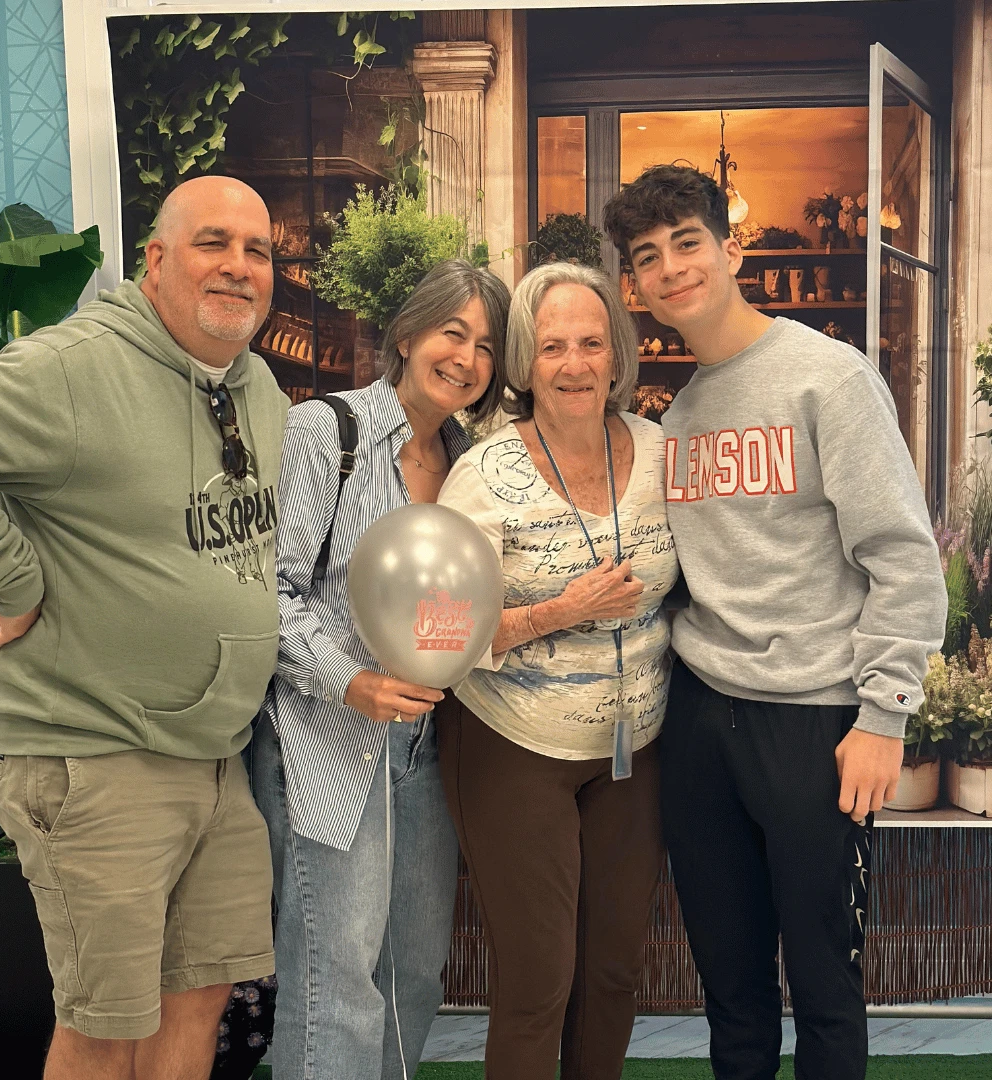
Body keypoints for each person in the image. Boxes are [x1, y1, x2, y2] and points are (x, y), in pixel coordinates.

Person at [0, 176, 288, 1080]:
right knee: (106, 1024)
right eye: (213, 242)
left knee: (202, 997)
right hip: (95, 753)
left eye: (259, 250)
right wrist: (12, 577)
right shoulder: (78, 367)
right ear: (155, 260)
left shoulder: (255, 385)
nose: (238, 266)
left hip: (213, 756)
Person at [602, 164, 948, 1080]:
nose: (672, 268)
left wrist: (883, 716)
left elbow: (903, 557)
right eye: (649, 257)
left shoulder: (829, 379)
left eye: (688, 242)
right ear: (635, 286)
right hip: (699, 724)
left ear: (732, 250)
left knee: (827, 988)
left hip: (814, 722)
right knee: (731, 990)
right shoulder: (678, 415)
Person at [251, 259, 511, 1080]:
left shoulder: (472, 463)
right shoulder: (326, 433)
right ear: (407, 335)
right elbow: (268, 590)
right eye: (452, 333)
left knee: (414, 974)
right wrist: (350, 681)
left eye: (486, 346)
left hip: (427, 750)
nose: (466, 358)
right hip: (326, 743)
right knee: (337, 981)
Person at [435, 261, 678, 1080]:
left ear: (618, 355)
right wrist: (559, 611)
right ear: (523, 363)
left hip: (634, 748)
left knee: (613, 973)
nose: (574, 364)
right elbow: (441, 631)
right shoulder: (482, 476)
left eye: (591, 343)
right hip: (513, 745)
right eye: (552, 347)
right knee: (539, 982)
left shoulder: (660, 451)